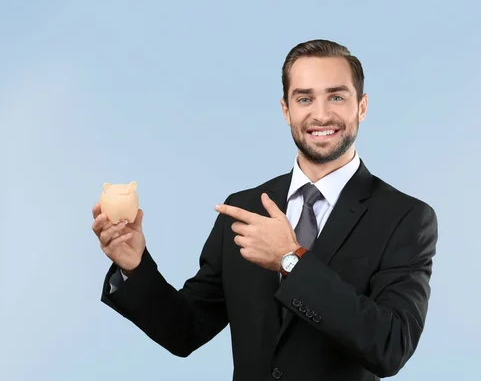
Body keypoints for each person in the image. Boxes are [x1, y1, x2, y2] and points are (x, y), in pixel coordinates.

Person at [92, 39, 438, 381]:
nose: (320, 114)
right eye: (304, 98)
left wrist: (291, 259)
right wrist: (134, 266)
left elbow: (390, 346)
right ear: (286, 110)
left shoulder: (406, 218)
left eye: (336, 96)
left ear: (361, 106)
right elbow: (185, 331)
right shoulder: (243, 209)